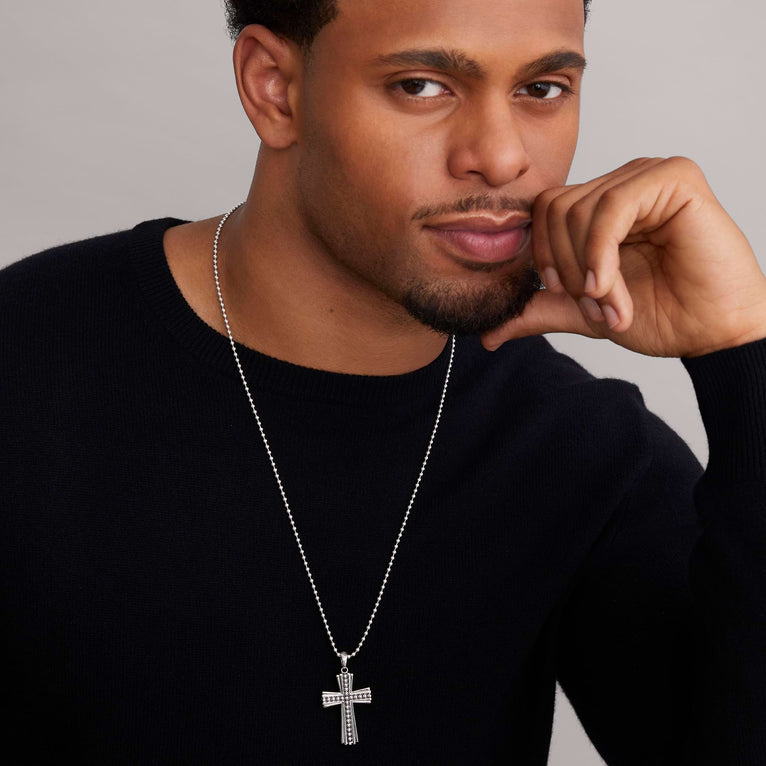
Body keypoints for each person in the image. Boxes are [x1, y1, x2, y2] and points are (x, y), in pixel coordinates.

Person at [2, 0, 765, 763]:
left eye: (542, 89)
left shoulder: (575, 442)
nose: (501, 159)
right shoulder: (27, 364)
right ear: (275, 89)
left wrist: (744, 352)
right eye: (422, 85)